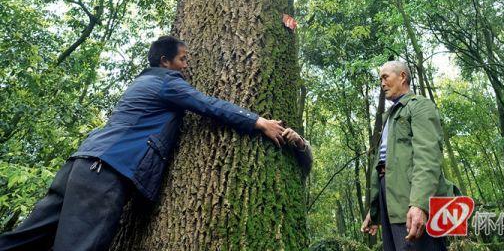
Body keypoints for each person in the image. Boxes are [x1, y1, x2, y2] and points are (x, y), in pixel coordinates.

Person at [0, 35, 307, 251]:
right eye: (183, 59)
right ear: (165, 61)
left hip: (80, 165)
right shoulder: (166, 81)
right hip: (105, 171)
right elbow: (208, 104)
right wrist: (258, 122)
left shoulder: (141, 82)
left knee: (24, 239)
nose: (187, 66)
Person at [361, 61, 452, 251]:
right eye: (380, 80)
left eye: (385, 77)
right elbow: (385, 165)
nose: (382, 84)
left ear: (402, 77)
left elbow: (428, 157)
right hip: (389, 199)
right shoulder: (390, 117)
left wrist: (420, 204)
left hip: (411, 196)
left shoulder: (419, 106)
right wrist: (376, 210)